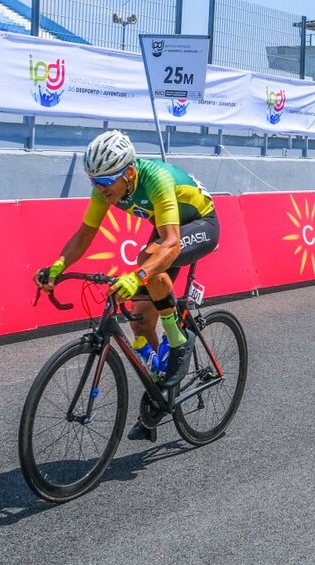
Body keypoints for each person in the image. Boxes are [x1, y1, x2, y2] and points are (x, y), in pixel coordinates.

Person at [34, 129, 219, 437]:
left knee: (149, 259)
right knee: (141, 325)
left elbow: (171, 244)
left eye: (105, 182)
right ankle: (162, 388)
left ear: (129, 172)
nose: (99, 188)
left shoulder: (156, 179)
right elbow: (85, 234)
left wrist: (137, 277)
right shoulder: (106, 187)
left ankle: (178, 342)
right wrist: (58, 265)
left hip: (201, 224)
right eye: (93, 181)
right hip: (166, 228)